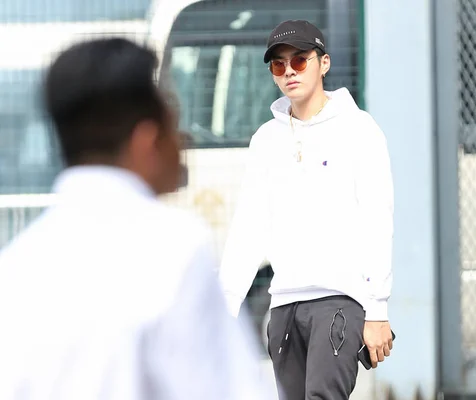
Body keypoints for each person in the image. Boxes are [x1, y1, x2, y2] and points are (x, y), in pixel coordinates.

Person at [0, 38, 276, 400]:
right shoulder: (174, 250)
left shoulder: (18, 264)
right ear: (147, 141)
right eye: (174, 119)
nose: (185, 139)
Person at [219, 19, 395, 399]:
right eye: (278, 65)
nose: (289, 72)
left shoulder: (359, 130)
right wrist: (223, 310)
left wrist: (377, 309)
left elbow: (377, 220)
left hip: (338, 300)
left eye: (299, 61)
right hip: (283, 305)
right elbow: (249, 228)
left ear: (324, 63)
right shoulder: (265, 139)